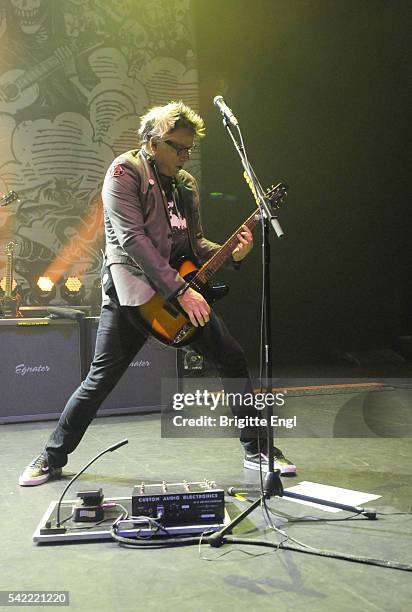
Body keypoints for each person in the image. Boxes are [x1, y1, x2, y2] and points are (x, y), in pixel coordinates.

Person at [19, 101, 296, 486]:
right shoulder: (124, 174)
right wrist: (183, 292)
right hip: (133, 295)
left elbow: (193, 244)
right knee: (100, 379)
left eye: (189, 150)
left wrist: (230, 252)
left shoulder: (185, 185)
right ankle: (51, 457)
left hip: (179, 293)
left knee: (231, 357)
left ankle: (259, 451)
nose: (184, 156)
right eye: (177, 148)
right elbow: (133, 242)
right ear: (152, 143)